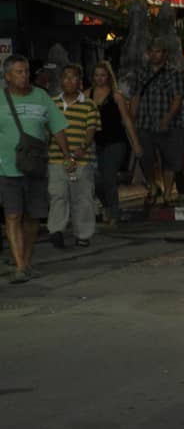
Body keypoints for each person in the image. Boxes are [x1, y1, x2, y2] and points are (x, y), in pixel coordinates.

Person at [3, 56, 73, 283]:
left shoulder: (42, 97)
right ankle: (21, 265)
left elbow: (58, 128)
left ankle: (26, 259)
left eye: (25, 71)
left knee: (33, 217)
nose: (24, 76)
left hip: (35, 167)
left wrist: (67, 155)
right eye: (18, 72)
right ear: (7, 76)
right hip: (6, 169)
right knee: (12, 215)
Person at [47, 65, 99, 250]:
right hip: (55, 158)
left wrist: (82, 148)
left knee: (82, 197)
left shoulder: (88, 104)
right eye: (66, 77)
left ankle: (83, 234)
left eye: (74, 77)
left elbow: (91, 128)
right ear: (61, 80)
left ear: (80, 81)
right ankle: (56, 230)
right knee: (58, 195)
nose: (70, 81)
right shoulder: (52, 103)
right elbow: (48, 129)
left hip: (81, 159)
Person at [131, 44, 184, 208]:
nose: (155, 55)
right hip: (145, 123)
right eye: (152, 51)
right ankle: (153, 186)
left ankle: (168, 193)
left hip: (170, 125)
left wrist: (167, 118)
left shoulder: (174, 74)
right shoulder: (141, 74)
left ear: (165, 53)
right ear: (148, 53)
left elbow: (177, 98)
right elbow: (135, 97)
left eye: (158, 51)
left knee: (171, 160)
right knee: (145, 158)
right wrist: (132, 119)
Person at [88, 61, 139, 230]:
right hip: (97, 143)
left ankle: (114, 214)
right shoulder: (87, 94)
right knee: (97, 180)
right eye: (97, 75)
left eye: (103, 75)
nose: (99, 78)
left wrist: (136, 144)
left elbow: (127, 121)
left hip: (116, 142)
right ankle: (108, 206)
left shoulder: (116, 96)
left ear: (108, 77)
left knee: (108, 176)